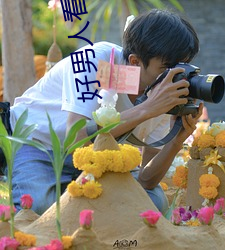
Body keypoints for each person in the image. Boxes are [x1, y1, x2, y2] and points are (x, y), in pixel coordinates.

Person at [6, 9, 202, 215]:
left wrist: (176, 140)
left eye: (182, 66)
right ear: (135, 62)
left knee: (152, 202)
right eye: (167, 68)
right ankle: (65, 197)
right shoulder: (96, 60)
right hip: (37, 143)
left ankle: (70, 199)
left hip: (96, 157)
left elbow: (146, 180)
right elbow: (76, 139)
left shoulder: (164, 90)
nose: (175, 76)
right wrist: (147, 108)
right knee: (39, 208)